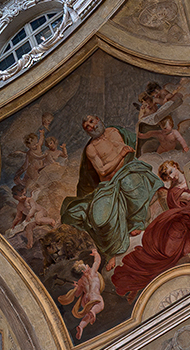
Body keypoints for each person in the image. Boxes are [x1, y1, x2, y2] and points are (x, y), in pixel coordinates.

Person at [109, 159, 190, 298]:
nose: (172, 177)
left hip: (189, 222)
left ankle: (138, 282)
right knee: (165, 256)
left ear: (176, 165)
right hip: (178, 225)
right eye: (168, 177)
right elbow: (189, 197)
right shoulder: (174, 191)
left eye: (171, 172)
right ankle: (136, 281)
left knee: (176, 254)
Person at [60, 115, 166, 272]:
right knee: (99, 219)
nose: (90, 127)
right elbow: (102, 171)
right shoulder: (91, 148)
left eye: (91, 121)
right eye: (86, 127)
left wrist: (121, 160)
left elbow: (131, 149)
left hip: (129, 171)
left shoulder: (114, 132)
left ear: (98, 119)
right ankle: (110, 252)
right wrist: (121, 155)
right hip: (108, 184)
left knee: (129, 183)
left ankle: (138, 222)